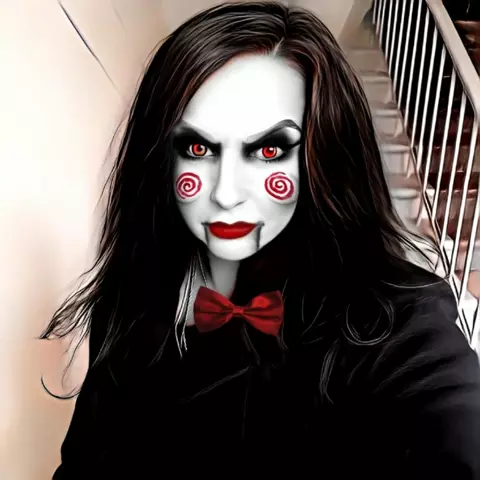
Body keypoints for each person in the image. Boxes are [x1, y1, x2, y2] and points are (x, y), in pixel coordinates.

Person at [40, 2, 480, 478]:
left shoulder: (392, 315)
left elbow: (452, 425)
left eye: (269, 150)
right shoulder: (130, 299)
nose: (226, 193)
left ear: (321, 159)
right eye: (198, 147)